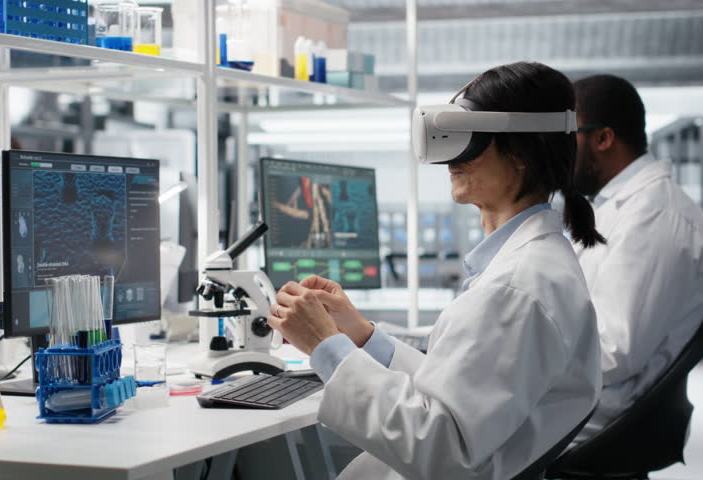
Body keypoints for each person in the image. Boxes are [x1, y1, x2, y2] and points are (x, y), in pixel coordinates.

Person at [266, 61, 604, 480]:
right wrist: (364, 338)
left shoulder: (517, 287)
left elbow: (439, 445)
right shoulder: (528, 267)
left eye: (468, 140)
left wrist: (325, 345)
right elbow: (459, 394)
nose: (450, 158)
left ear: (519, 151)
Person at [571, 74, 703, 443]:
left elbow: (613, 352)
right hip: (576, 400)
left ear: (603, 138)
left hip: (594, 419)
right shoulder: (616, 207)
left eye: (567, 137)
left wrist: (526, 354)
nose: (558, 153)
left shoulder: (656, 215)